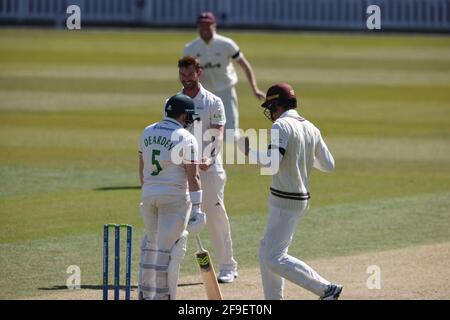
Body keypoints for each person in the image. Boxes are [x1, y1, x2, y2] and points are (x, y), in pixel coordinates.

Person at [239, 83, 343, 300]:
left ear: (278, 103)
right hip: (298, 198)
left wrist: (249, 151)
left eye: (271, 105)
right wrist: (300, 155)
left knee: (273, 257)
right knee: (266, 249)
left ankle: (326, 289)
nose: (270, 111)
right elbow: (329, 165)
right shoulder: (311, 127)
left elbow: (272, 163)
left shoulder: (281, 126)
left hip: (285, 199)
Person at [177, 55, 238, 283]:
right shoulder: (173, 101)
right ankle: (169, 266)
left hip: (209, 169)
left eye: (190, 74)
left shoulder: (214, 101)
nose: (186, 79)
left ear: (199, 72)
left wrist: (209, 157)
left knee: (215, 216)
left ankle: (227, 266)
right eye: (182, 75)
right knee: (177, 217)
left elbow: (218, 132)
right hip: (182, 169)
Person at [138, 93, 204, 300]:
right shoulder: (186, 137)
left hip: (149, 196)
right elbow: (193, 176)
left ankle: (144, 295)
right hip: (174, 199)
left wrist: (149, 192)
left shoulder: (147, 131)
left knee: (151, 245)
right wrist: (197, 208)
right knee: (168, 252)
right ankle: (163, 298)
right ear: (184, 115)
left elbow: (142, 169)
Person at [183, 11, 265, 141]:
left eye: (207, 25)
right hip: (203, 94)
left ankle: (245, 153)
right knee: (200, 134)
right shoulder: (190, 48)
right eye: (201, 25)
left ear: (214, 26)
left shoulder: (226, 44)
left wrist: (255, 88)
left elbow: (245, 65)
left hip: (226, 91)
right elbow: (185, 74)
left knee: (230, 134)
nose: (204, 29)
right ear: (197, 27)